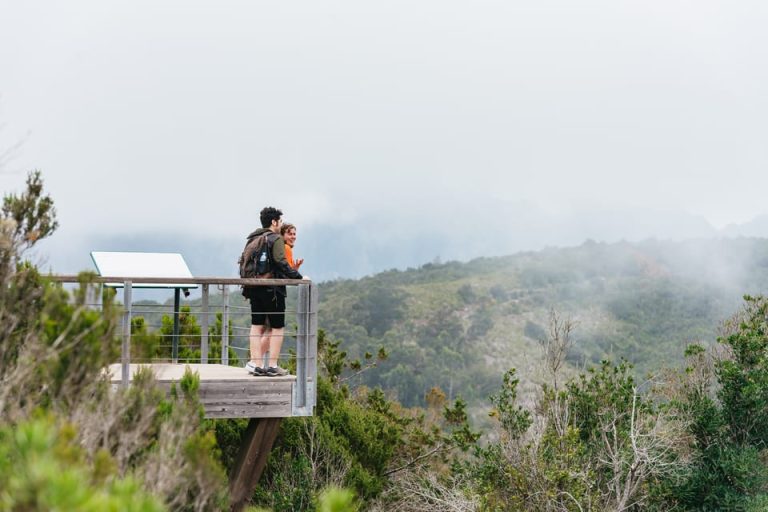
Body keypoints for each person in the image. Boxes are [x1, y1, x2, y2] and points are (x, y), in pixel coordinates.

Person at [243, 206, 303, 377]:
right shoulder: (275, 239)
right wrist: (298, 277)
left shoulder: (254, 238)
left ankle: (256, 364)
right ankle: (272, 365)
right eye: (280, 221)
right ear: (274, 222)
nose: (280, 224)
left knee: (256, 325)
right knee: (277, 327)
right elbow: (281, 262)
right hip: (272, 289)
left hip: (253, 287)